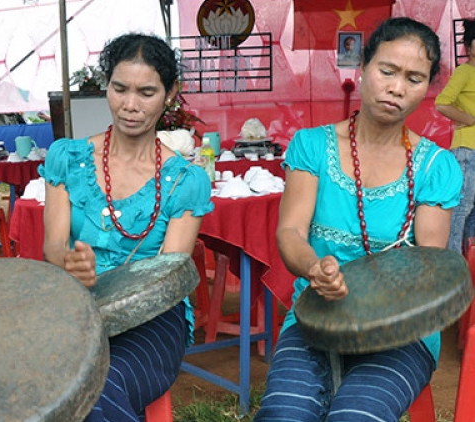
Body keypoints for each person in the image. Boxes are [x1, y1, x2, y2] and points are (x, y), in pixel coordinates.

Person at [255, 17, 462, 422]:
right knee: (283, 414)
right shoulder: (312, 146)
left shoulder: (436, 166)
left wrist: (374, 303)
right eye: (387, 71)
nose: (398, 88)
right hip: (317, 316)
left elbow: (427, 265)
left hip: (401, 331)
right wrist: (315, 267)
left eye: (414, 79)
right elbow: (291, 231)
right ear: (363, 67)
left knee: (355, 417)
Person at [40, 33, 213, 421]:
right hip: (74, 309)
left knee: (100, 388)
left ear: (171, 94)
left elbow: (166, 279)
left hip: (152, 322)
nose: (130, 105)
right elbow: (52, 247)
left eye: (147, 92)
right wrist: (71, 264)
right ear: (107, 86)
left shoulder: (185, 181)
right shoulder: (67, 158)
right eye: (120, 89)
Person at [436, 19, 475, 253]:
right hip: (467, 151)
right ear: (469, 47)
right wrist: (469, 119)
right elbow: (442, 103)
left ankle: (470, 269)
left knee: (473, 215)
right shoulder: (465, 71)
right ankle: (453, 268)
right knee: (461, 209)